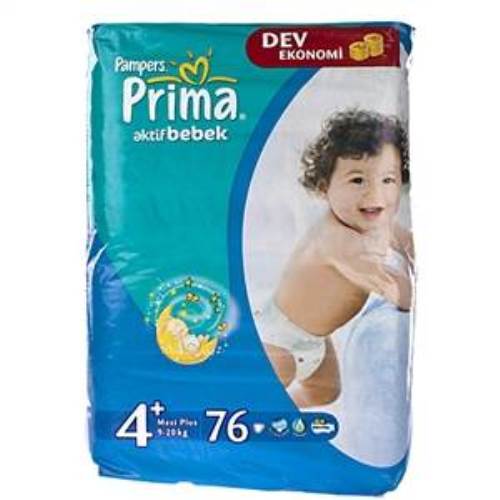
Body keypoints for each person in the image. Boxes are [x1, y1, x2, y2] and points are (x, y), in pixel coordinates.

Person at [257, 109, 414, 408]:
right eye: (357, 180)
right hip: (279, 339)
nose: (374, 193)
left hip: (316, 340)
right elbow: (395, 290)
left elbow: (406, 242)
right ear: (323, 187)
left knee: (324, 393)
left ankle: (283, 415)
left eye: (387, 179)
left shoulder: (372, 224)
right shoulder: (337, 240)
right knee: (260, 395)